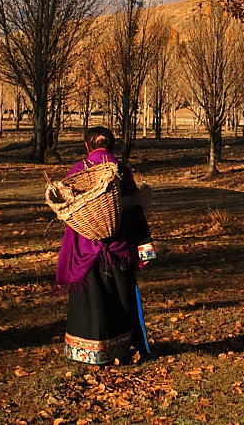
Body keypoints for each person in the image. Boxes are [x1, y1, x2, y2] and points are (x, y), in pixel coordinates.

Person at [55, 126, 153, 365]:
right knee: (121, 297)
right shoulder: (121, 170)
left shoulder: (79, 171)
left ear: (87, 146)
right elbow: (136, 211)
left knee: (93, 299)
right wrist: (145, 248)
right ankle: (122, 349)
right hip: (120, 247)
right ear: (112, 146)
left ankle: (88, 352)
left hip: (85, 247)